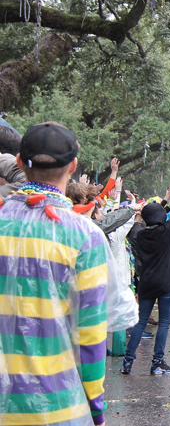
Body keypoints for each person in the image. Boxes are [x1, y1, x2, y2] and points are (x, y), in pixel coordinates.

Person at [0, 122, 108, 426]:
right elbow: (91, 333)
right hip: (59, 409)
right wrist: (96, 409)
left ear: (20, 162)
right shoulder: (85, 236)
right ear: (72, 166)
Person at [122, 169, 170, 376]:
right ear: (163, 217)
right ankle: (157, 362)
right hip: (166, 284)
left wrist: (152, 207)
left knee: (141, 322)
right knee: (164, 323)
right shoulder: (168, 230)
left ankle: (127, 362)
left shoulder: (139, 234)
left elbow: (145, 219)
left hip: (147, 283)